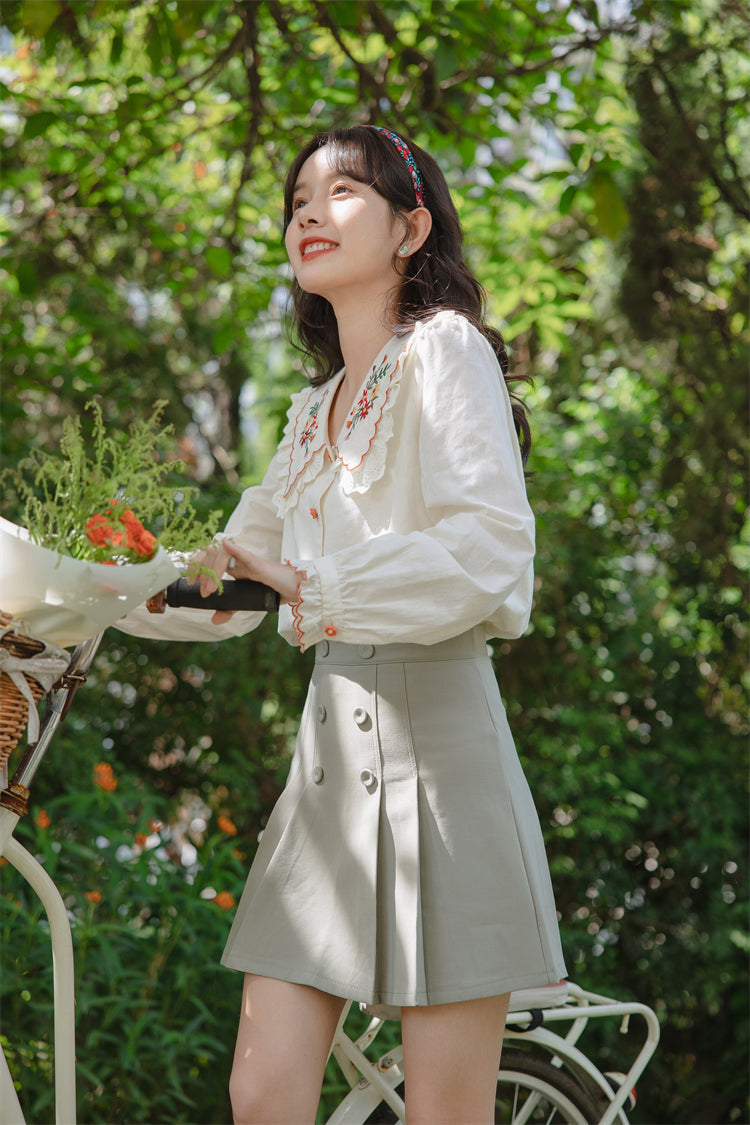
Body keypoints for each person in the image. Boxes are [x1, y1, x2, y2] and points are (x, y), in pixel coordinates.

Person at [118, 125, 566, 1125]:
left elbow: (490, 549)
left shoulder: (446, 354)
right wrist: (91, 593)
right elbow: (231, 576)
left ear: (412, 229)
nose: (310, 213)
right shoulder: (312, 411)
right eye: (298, 200)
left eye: (342, 193)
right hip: (324, 779)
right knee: (262, 1092)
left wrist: (312, 587)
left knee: (444, 1113)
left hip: (442, 761)